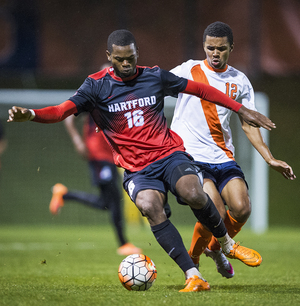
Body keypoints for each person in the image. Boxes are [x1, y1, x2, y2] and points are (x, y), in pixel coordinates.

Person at [7, 29, 276, 292]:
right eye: (120, 59)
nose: (126, 64)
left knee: (194, 192)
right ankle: (193, 275)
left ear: (138, 54)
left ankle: (227, 245)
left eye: (131, 58)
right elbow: (60, 110)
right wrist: (31, 114)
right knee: (149, 206)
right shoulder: (96, 86)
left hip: (169, 154)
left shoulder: (154, 76)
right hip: (137, 169)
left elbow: (201, 90)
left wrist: (241, 109)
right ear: (109, 56)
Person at [170, 21, 296, 278]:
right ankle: (192, 261)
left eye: (221, 49)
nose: (215, 53)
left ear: (231, 48)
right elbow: (153, 88)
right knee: (213, 211)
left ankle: (215, 250)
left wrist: (269, 158)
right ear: (203, 46)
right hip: (191, 157)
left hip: (222, 156)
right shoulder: (187, 70)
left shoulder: (239, 80)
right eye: (210, 48)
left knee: (242, 208)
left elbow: (249, 124)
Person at [49, 113, 142, 256]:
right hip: (98, 154)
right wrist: (78, 141)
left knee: (106, 203)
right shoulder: (94, 94)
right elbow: (68, 118)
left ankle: (64, 195)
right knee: (115, 201)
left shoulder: (114, 97)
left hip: (108, 156)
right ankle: (123, 244)